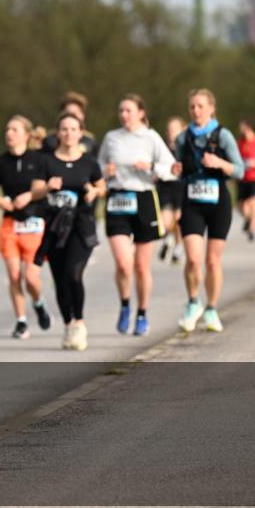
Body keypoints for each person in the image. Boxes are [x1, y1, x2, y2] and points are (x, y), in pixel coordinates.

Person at [98, 94, 176, 337]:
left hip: (143, 199)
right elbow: (97, 167)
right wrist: (104, 171)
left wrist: (151, 168)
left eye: (128, 110)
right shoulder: (111, 138)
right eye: (121, 110)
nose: (123, 115)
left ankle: (142, 313)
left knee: (142, 267)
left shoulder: (151, 138)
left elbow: (171, 168)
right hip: (117, 200)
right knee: (123, 264)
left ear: (141, 113)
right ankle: (124, 306)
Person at [30, 112, 105, 351]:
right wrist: (47, 188)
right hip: (55, 228)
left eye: (73, 129)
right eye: (64, 129)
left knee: (74, 273)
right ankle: (68, 324)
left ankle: (79, 323)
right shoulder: (47, 161)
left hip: (81, 226)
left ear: (81, 132)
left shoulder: (89, 162)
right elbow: (35, 191)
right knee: (60, 279)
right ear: (57, 133)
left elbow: (101, 185)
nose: (68, 133)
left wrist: (94, 192)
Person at [173, 89, 245, 333]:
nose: (196, 111)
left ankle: (212, 308)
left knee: (212, 262)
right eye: (192, 106)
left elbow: (240, 170)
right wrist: (175, 169)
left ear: (211, 108)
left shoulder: (223, 135)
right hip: (192, 201)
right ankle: (194, 302)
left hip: (218, 203)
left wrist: (219, 163)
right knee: (193, 259)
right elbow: (176, 167)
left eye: (200, 106)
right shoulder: (183, 139)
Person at [0, 115, 53, 339]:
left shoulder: (39, 160)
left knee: (31, 278)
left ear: (26, 135)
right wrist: (0, 201)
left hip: (35, 223)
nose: (9, 133)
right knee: (14, 276)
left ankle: (39, 302)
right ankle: (21, 321)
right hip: (10, 224)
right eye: (7, 129)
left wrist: (29, 196)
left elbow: (47, 188)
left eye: (15, 130)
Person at [157, 116, 187, 264]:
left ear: (182, 130)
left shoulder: (186, 148)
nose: (171, 132)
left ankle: (178, 247)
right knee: (165, 221)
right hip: (165, 187)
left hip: (181, 187)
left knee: (178, 219)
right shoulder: (162, 148)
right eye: (169, 129)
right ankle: (167, 238)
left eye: (174, 129)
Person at [41, 91, 99, 158]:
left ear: (83, 115)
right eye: (69, 113)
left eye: (76, 113)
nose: (72, 116)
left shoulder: (90, 141)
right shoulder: (49, 140)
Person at [236, 120, 255, 242]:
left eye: (243, 128)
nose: (241, 131)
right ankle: (249, 220)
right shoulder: (240, 143)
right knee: (241, 207)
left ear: (249, 128)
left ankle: (252, 230)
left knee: (253, 203)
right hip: (243, 177)